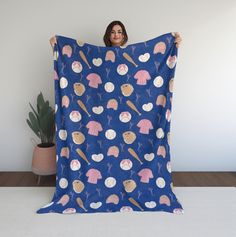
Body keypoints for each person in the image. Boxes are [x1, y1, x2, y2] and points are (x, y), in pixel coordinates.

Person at [49, 20, 182, 49]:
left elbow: (155, 59)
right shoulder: (98, 55)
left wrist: (173, 42)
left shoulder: (132, 54)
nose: (116, 35)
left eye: (119, 32)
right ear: (108, 36)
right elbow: (74, 60)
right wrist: (57, 45)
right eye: (112, 32)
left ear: (124, 36)